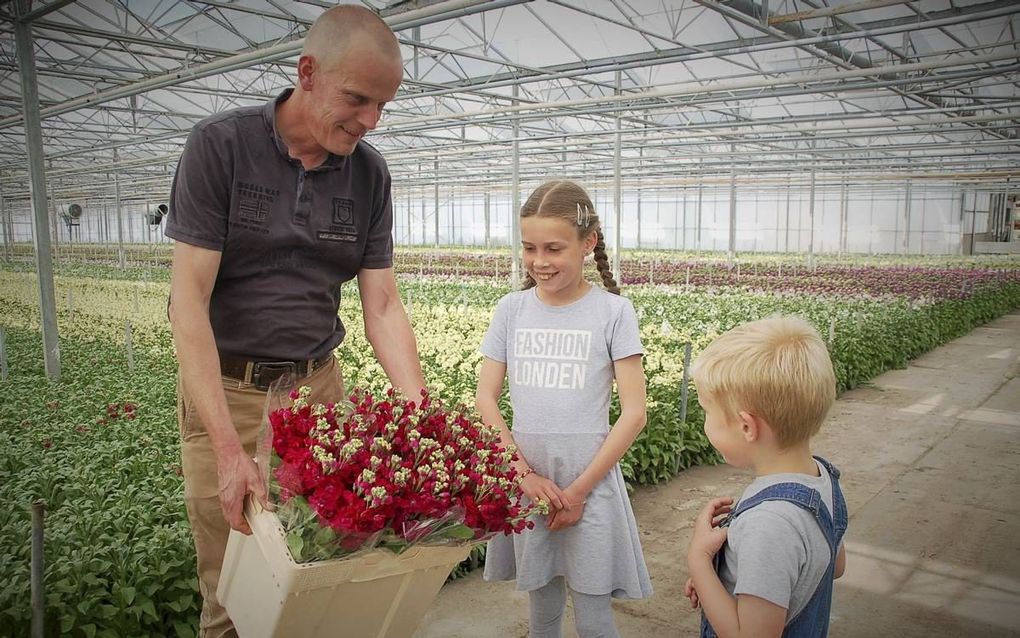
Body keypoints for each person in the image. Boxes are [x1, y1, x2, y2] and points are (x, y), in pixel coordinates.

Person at [165, 6, 424, 636]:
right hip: (226, 392)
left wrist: (421, 418)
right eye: (357, 99)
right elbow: (188, 303)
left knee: (319, 575)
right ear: (307, 72)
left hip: (316, 390)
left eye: (382, 106)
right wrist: (229, 449)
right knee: (232, 588)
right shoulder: (220, 148)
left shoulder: (370, 173)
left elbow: (382, 305)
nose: (369, 121)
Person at [475, 180, 653, 638]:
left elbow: (635, 413)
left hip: (589, 484)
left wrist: (576, 492)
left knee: (595, 618)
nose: (539, 262)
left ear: (588, 242)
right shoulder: (511, 310)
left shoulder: (613, 312)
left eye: (553, 248)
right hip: (529, 481)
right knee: (543, 613)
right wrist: (522, 475)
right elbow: (485, 399)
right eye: (529, 248)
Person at [684, 315, 848, 638]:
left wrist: (700, 561)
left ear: (747, 427)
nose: (705, 425)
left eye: (708, 413)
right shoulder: (822, 478)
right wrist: (718, 582)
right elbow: (834, 566)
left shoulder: (769, 524)